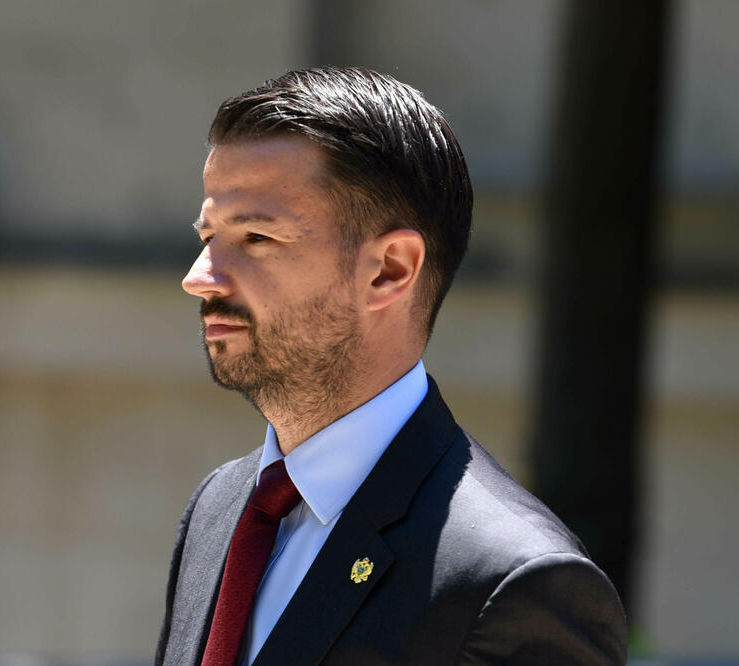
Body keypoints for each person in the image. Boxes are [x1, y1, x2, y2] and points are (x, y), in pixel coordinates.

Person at [155, 67, 627, 666]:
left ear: (390, 270)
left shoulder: (516, 584)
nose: (199, 278)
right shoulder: (219, 509)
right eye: (209, 237)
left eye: (256, 238)